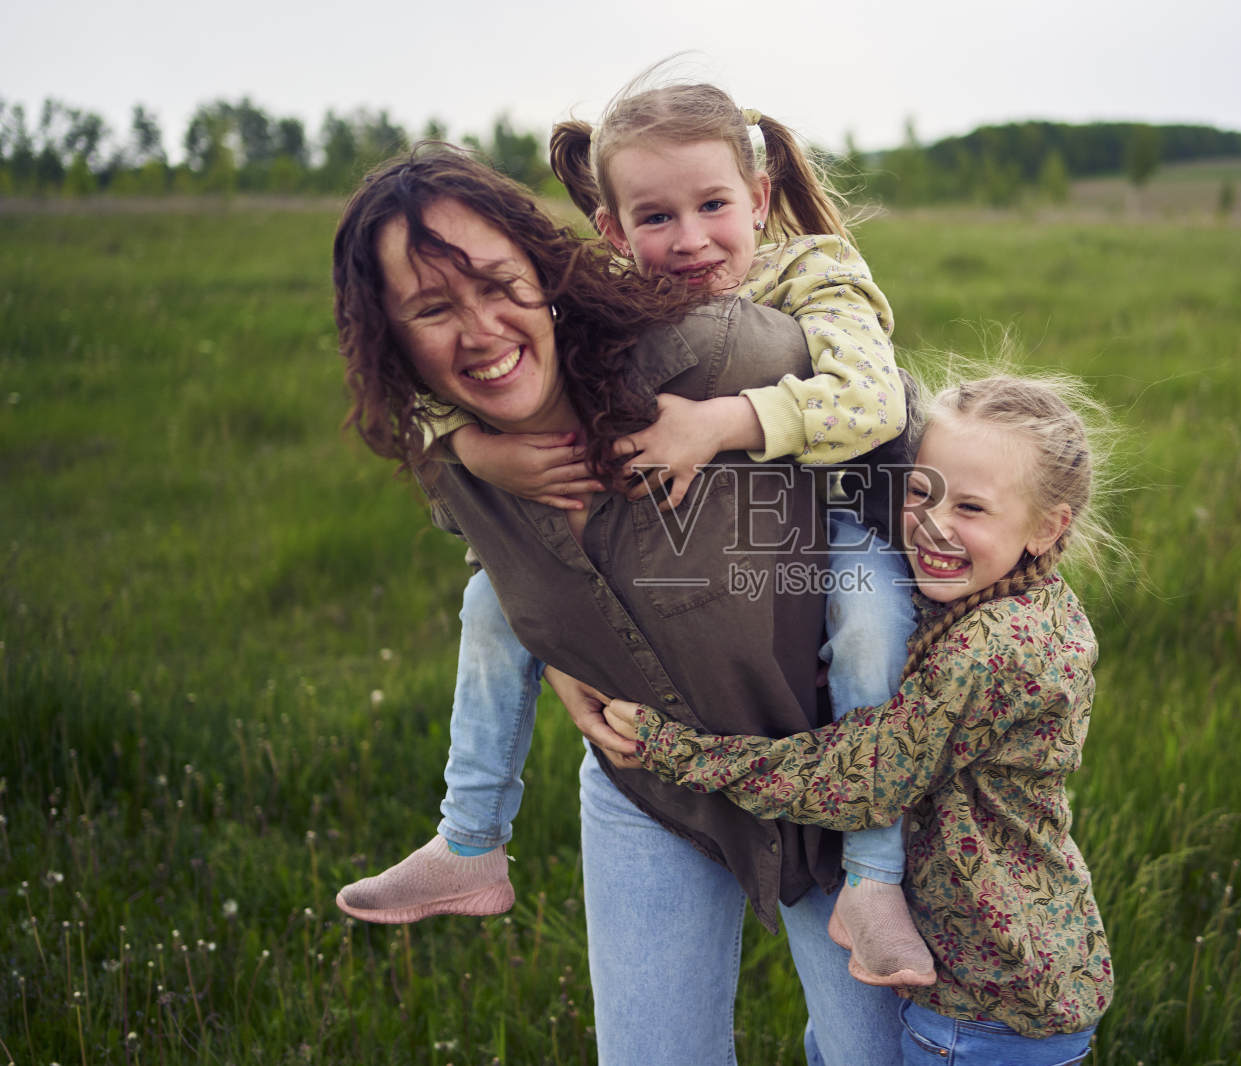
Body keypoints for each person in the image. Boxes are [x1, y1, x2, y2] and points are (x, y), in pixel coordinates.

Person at [338, 79, 934, 986]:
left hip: (838, 515)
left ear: (759, 199)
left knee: (868, 630)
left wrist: (719, 423)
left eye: (713, 206)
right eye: (657, 218)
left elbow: (871, 404)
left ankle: (874, 872)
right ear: (613, 232)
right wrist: (476, 448)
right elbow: (436, 381)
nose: (690, 240)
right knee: (491, 600)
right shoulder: (617, 301)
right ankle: (470, 837)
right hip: (679, 618)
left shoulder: (814, 273)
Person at [604, 374, 1117, 1065]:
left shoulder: (998, 647)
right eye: (920, 492)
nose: (933, 524)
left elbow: (861, 777)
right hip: (1002, 980)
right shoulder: (1019, 601)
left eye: (970, 507)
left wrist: (673, 749)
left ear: (1048, 527)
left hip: (988, 1009)